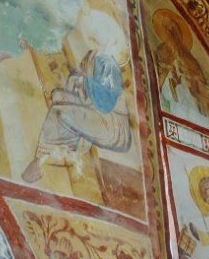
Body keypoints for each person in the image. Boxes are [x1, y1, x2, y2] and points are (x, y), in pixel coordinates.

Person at [22, 45, 132, 184]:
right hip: (91, 110)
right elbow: (75, 78)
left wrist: (84, 82)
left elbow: (105, 103)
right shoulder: (92, 55)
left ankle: (39, 160)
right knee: (59, 97)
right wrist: (77, 82)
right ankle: (66, 148)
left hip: (111, 126)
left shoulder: (108, 63)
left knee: (61, 112)